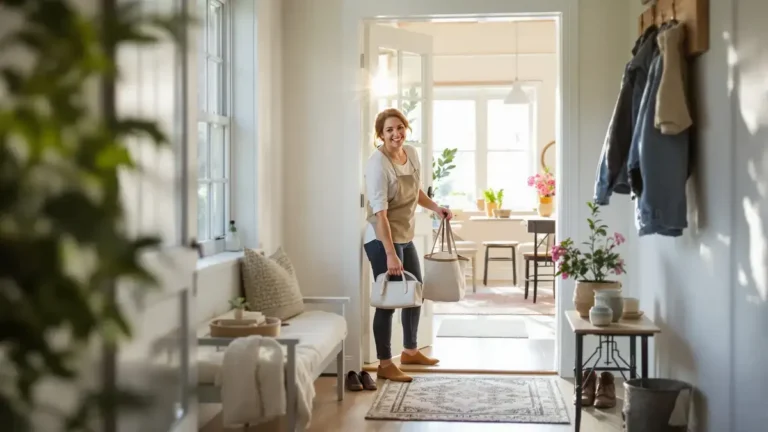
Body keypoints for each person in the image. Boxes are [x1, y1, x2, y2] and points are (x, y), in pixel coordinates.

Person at [363, 108, 453, 382]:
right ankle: (385, 363)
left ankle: (411, 350)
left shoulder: (411, 154)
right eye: (389, 130)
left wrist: (437, 208)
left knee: (416, 291)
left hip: (404, 234)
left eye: (399, 127)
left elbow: (416, 193)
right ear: (381, 135)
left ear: (406, 128)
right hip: (381, 239)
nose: (396, 134)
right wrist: (390, 254)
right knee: (388, 302)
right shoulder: (377, 164)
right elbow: (380, 214)